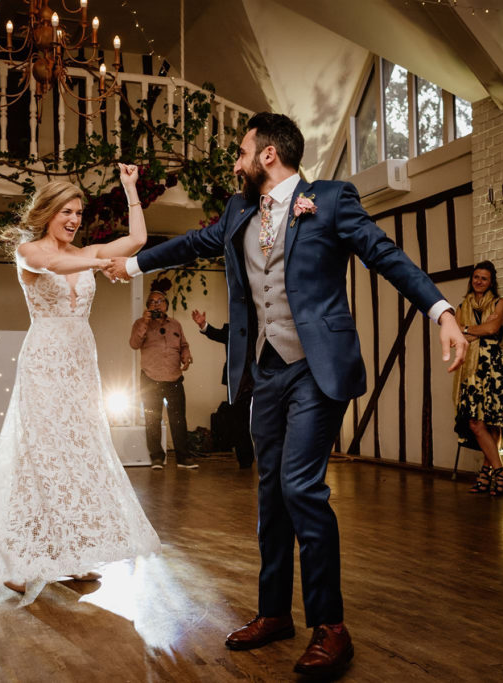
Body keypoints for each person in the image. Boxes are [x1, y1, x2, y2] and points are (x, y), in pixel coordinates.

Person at [102, 113, 467, 678]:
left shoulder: (331, 199)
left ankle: (331, 626)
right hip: (264, 373)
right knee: (271, 493)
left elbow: (385, 255)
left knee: (301, 486)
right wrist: (130, 262)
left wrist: (440, 310)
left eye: (243, 151)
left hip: (318, 368)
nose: (237, 161)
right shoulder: (239, 210)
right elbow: (193, 243)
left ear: (268, 155)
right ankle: (274, 612)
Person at [0, 164, 160, 597]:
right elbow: (55, 263)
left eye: (79, 213)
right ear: (48, 212)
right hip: (44, 363)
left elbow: (138, 241)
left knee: (79, 453)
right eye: (66, 211)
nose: (73, 219)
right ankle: (18, 558)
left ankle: (74, 553)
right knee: (39, 455)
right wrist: (105, 260)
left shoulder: (86, 252)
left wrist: (130, 189)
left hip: (80, 362)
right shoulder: (29, 253)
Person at [453, 261, 503, 496]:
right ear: (471, 280)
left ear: (492, 282)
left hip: (493, 366)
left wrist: (467, 329)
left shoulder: (499, 302)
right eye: (476, 277)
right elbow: (456, 336)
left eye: (484, 278)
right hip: (470, 370)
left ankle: (485, 473)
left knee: (492, 421)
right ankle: (500, 473)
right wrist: (476, 328)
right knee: (474, 422)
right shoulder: (461, 305)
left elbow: (492, 329)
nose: (479, 281)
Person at [130, 279, 197, 470]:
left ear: (166, 305)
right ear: (148, 306)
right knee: (152, 419)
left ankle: (184, 458)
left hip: (174, 378)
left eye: (160, 301)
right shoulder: (140, 324)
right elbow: (134, 344)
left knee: (178, 420)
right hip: (150, 378)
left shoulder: (175, 324)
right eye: (152, 301)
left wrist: (186, 356)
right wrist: (145, 322)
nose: (156, 304)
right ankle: (157, 458)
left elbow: (184, 345)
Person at [191, 308, 254, 468]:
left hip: (258, 379)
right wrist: (203, 324)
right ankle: (245, 460)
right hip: (237, 382)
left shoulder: (259, 326)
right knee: (239, 422)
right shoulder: (231, 328)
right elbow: (216, 334)